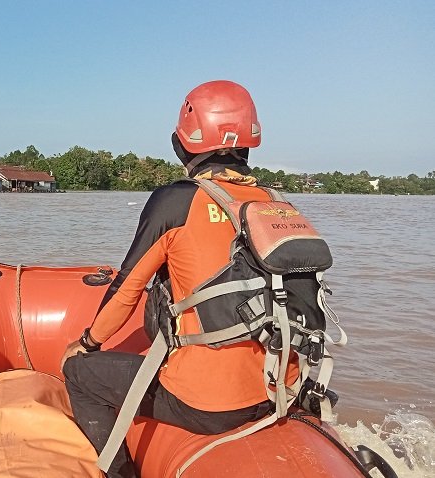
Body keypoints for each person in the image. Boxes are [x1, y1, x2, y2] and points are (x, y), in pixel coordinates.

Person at [61, 80, 304, 478]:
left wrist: (87, 343)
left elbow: (127, 290)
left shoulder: (176, 201)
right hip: (282, 388)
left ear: (182, 144)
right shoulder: (278, 205)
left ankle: (119, 474)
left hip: (208, 404)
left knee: (79, 373)